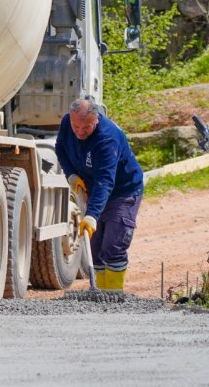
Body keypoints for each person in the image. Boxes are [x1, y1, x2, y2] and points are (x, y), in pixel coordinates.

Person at [55, 95, 143, 293]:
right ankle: (101, 294)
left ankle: (114, 295)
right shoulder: (68, 124)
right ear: (70, 118)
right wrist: (71, 175)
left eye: (86, 128)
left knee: (113, 245)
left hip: (123, 192)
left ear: (96, 119)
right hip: (95, 192)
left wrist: (92, 215)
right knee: (94, 248)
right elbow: (60, 147)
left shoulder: (107, 138)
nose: (79, 132)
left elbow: (105, 180)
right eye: (76, 127)